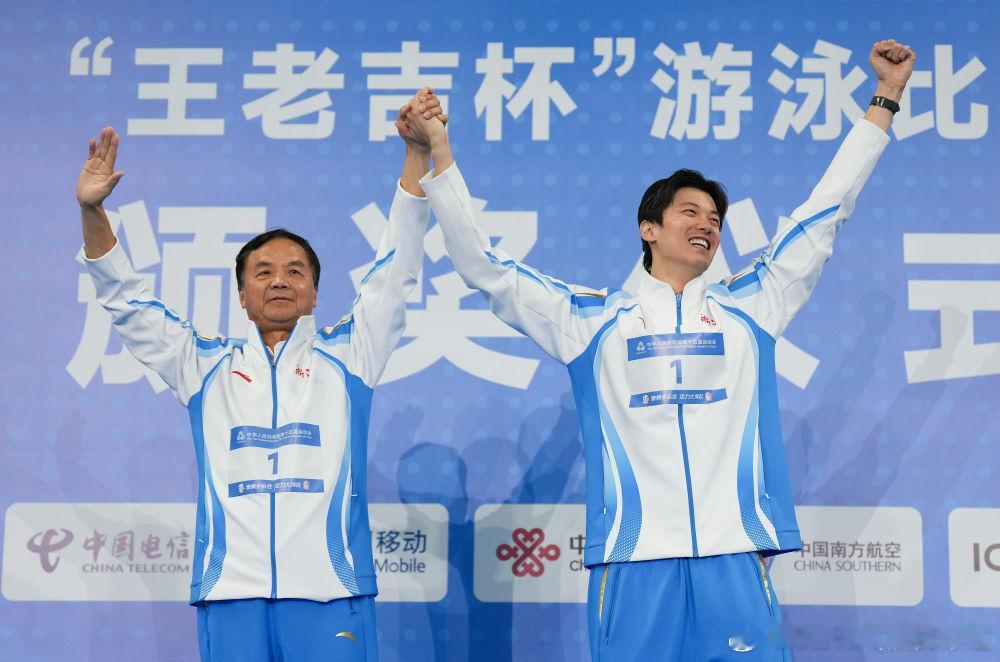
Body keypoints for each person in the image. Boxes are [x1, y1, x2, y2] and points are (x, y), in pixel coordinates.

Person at [402, 40, 915, 660]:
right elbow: (485, 267)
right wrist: (440, 153)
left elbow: (825, 211)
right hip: (634, 560)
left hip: (732, 555)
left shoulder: (753, 305)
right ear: (648, 228)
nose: (707, 225)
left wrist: (885, 97)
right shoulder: (591, 321)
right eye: (689, 211)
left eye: (715, 219)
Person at [75, 92, 444, 661]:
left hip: (329, 593)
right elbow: (127, 303)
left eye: (295, 271)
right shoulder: (203, 365)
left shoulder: (351, 354)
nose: (279, 281)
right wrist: (93, 213)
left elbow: (395, 271)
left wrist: (417, 155)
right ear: (243, 296)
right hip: (231, 595)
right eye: (263, 272)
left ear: (314, 293)